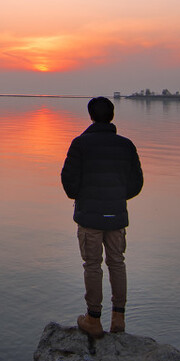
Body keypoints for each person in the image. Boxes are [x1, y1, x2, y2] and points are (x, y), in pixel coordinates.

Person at [60, 96, 143, 338]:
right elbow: (137, 182)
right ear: (112, 116)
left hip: (89, 217)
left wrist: (83, 196)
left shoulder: (80, 144)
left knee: (92, 265)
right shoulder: (126, 145)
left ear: (91, 116)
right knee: (117, 262)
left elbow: (68, 183)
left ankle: (93, 319)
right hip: (116, 215)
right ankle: (119, 318)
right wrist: (117, 197)